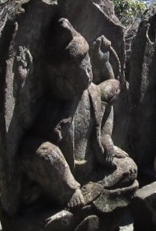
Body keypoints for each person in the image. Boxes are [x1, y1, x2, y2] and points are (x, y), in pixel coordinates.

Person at [20, 19, 136, 209]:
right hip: (67, 177)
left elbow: (113, 89)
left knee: (130, 168)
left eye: (87, 64)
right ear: (60, 79)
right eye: (78, 72)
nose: (87, 73)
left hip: (93, 164)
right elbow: (30, 145)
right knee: (44, 152)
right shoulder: (54, 107)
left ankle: (90, 197)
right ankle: (71, 194)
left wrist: (106, 136)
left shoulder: (91, 91)